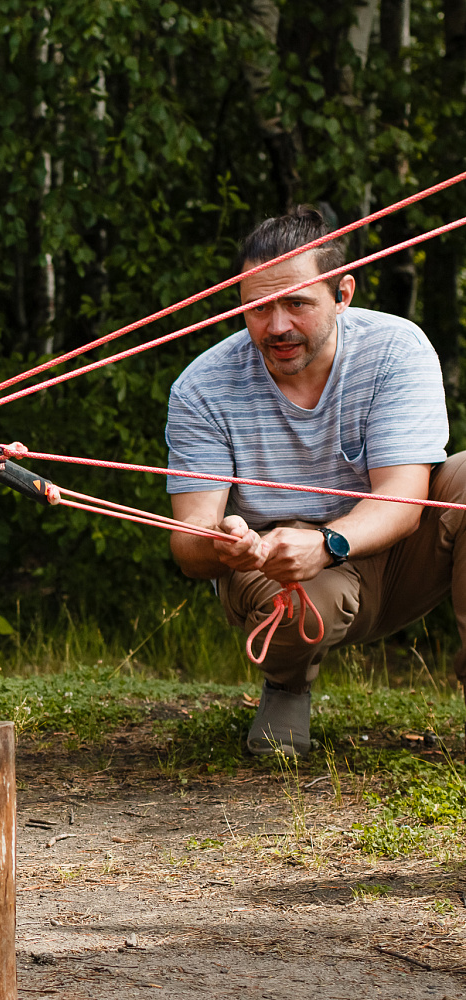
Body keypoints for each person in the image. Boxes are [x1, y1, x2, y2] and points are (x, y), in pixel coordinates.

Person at [167, 206, 466, 757]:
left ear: (342, 293)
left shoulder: (396, 348)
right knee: (307, 599)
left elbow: (403, 499)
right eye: (258, 306)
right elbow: (188, 543)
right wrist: (224, 545)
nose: (277, 325)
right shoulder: (202, 386)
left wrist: (328, 543)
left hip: (391, 556)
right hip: (279, 574)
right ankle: (287, 686)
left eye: (297, 303)